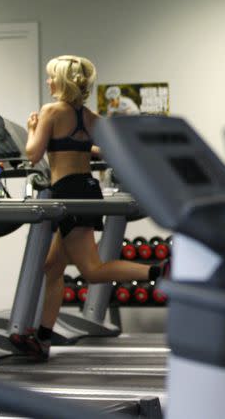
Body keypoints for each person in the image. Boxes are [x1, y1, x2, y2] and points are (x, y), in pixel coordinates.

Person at [20, 55, 166, 361]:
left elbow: (33, 154)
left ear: (61, 81)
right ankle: (42, 340)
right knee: (51, 267)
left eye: (50, 77)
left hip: (68, 193)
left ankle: (160, 270)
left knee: (92, 270)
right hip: (86, 188)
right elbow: (102, 149)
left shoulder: (50, 111)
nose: (48, 82)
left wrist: (32, 128)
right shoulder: (89, 117)